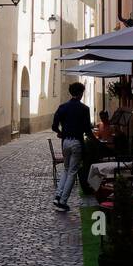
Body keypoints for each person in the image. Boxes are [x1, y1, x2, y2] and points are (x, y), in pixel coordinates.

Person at [51, 83, 94, 212]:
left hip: (65, 142)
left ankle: (58, 195)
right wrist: (95, 140)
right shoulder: (84, 109)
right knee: (72, 172)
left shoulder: (63, 107)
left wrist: (61, 133)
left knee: (66, 169)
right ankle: (63, 202)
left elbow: (54, 125)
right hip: (76, 142)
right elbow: (87, 130)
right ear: (81, 93)